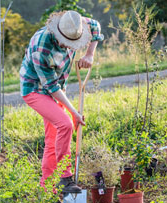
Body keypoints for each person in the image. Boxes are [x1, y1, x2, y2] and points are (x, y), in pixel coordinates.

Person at [20, 10, 104, 193]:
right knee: (65, 124)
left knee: (54, 138)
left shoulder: (75, 23)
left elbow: (96, 25)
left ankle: (47, 188)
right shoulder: (41, 46)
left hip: (57, 88)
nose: (69, 46)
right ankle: (65, 177)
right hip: (36, 89)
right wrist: (73, 111)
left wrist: (90, 54)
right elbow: (50, 86)